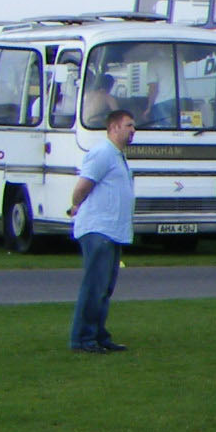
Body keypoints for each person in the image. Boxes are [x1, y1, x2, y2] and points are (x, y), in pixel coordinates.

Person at [68, 107, 137, 353]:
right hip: (99, 230)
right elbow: (82, 186)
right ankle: (83, 339)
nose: (133, 131)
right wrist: (76, 204)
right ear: (114, 127)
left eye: (133, 126)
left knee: (104, 288)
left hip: (113, 231)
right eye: (129, 125)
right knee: (94, 287)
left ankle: (98, 335)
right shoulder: (102, 153)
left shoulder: (117, 156)